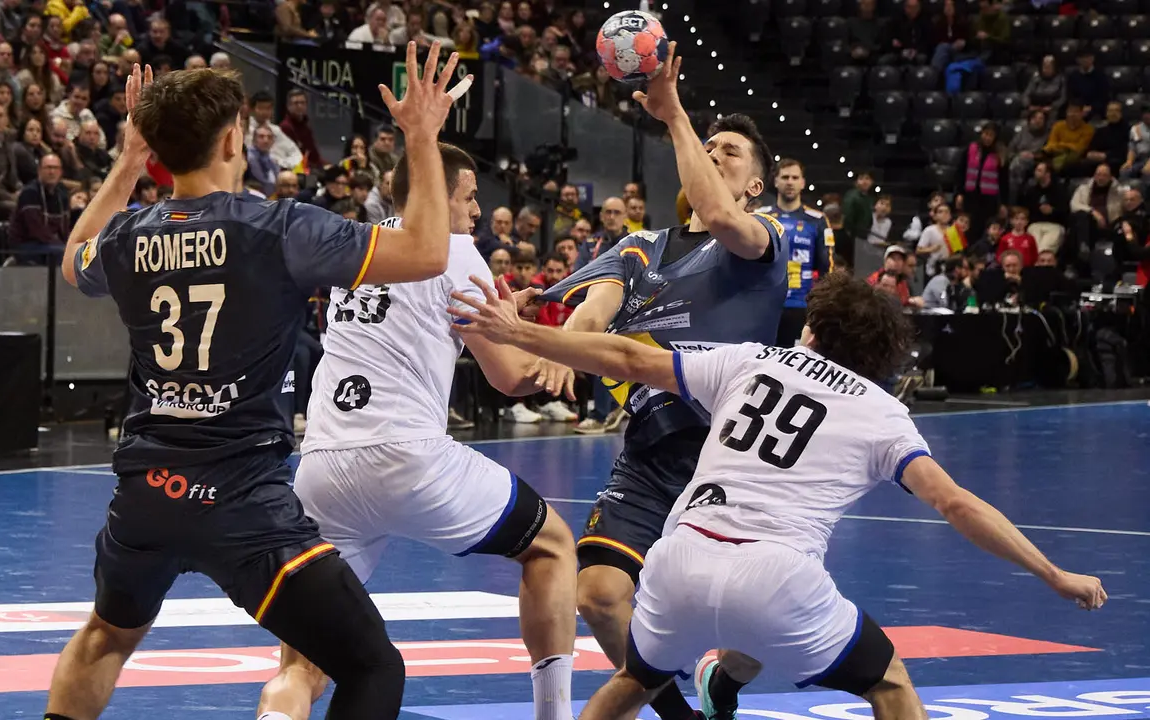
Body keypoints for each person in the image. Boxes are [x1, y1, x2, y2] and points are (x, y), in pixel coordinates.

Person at [450, 271, 1107, 720]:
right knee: (887, 682)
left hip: (677, 561)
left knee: (633, 681)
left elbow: (625, 359)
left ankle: (720, 678)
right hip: (776, 576)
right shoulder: (882, 414)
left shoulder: (752, 361)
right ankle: (728, 674)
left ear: (814, 331)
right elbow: (955, 504)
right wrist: (1051, 572)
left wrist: (518, 333)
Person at [47, 45, 461, 720]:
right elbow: (424, 252)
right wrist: (421, 137)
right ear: (235, 137)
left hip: (145, 494)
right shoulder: (279, 229)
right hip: (241, 501)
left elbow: (73, 261)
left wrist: (125, 162)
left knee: (105, 638)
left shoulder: (125, 238)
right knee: (369, 663)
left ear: (156, 146)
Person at [255, 142, 578, 720]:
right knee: (552, 545)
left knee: (302, 667)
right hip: (409, 459)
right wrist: (555, 354)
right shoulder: (456, 251)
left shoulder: (357, 244)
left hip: (322, 467)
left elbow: (417, 315)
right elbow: (509, 379)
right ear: (436, 193)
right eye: (470, 195)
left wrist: (500, 318)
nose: (478, 210)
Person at [531, 41, 788, 720]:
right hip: (651, 449)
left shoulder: (763, 234)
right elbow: (593, 310)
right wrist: (566, 346)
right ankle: (680, 715)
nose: (715, 152)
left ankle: (723, 681)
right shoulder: (639, 246)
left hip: (732, 458)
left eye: (729, 151)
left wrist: (674, 116)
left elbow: (725, 219)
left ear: (755, 184)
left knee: (766, 622)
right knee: (598, 596)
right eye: (710, 144)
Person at [757, 157, 834, 348]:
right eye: (785, 177)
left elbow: (828, 267)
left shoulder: (817, 220)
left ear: (802, 182)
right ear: (775, 181)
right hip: (764, 305)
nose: (790, 182)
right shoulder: (760, 216)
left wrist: (823, 307)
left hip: (801, 307)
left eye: (794, 177)